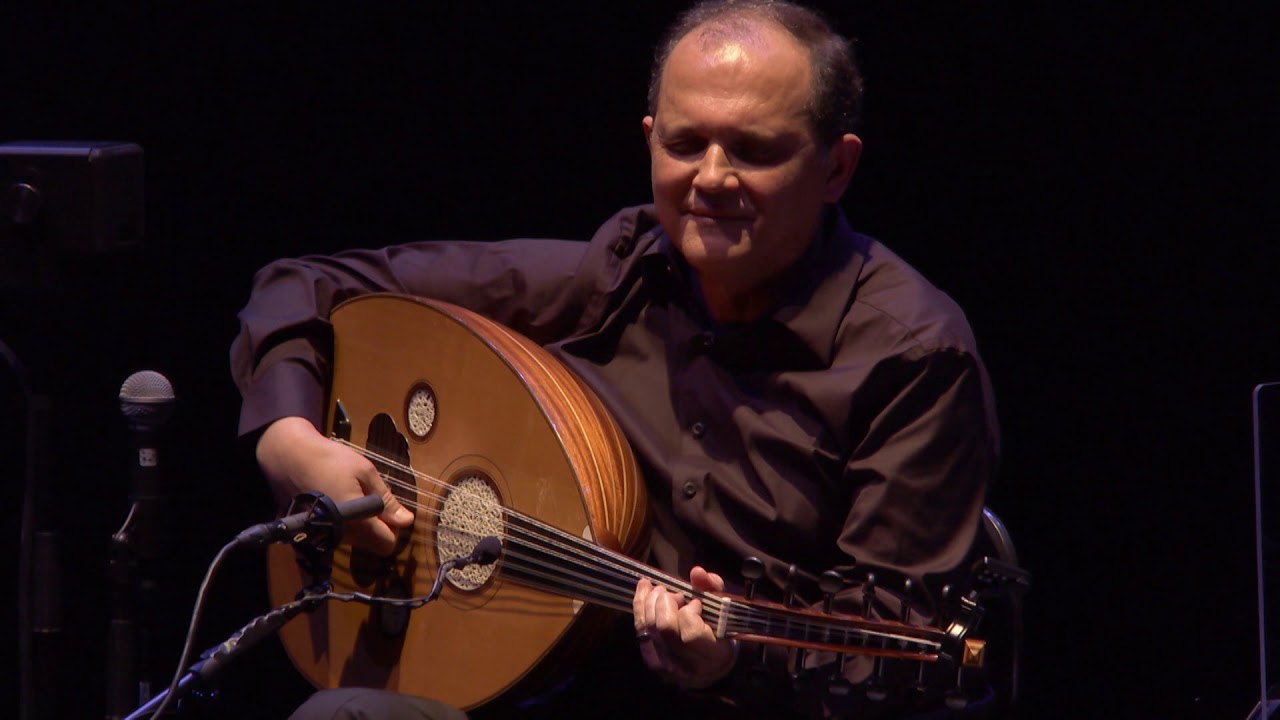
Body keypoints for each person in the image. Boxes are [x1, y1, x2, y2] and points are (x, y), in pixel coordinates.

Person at [229, 1, 999, 718]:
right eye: (685, 143)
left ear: (836, 169)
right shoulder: (613, 277)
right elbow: (306, 286)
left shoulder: (911, 356)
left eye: (755, 151)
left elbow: (902, 653)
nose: (711, 178)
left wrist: (731, 666)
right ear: (649, 141)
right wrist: (290, 443)